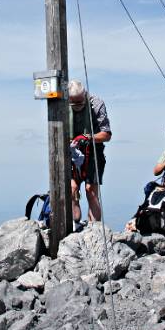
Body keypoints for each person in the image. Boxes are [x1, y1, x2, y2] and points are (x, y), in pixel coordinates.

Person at [68, 79, 111, 227]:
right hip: (71, 152)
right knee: (72, 188)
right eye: (73, 103)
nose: (77, 106)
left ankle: (95, 229)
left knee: (90, 190)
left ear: (85, 95)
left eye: (80, 102)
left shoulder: (96, 104)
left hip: (93, 152)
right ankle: (75, 222)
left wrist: (89, 138)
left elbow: (107, 135)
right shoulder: (62, 106)